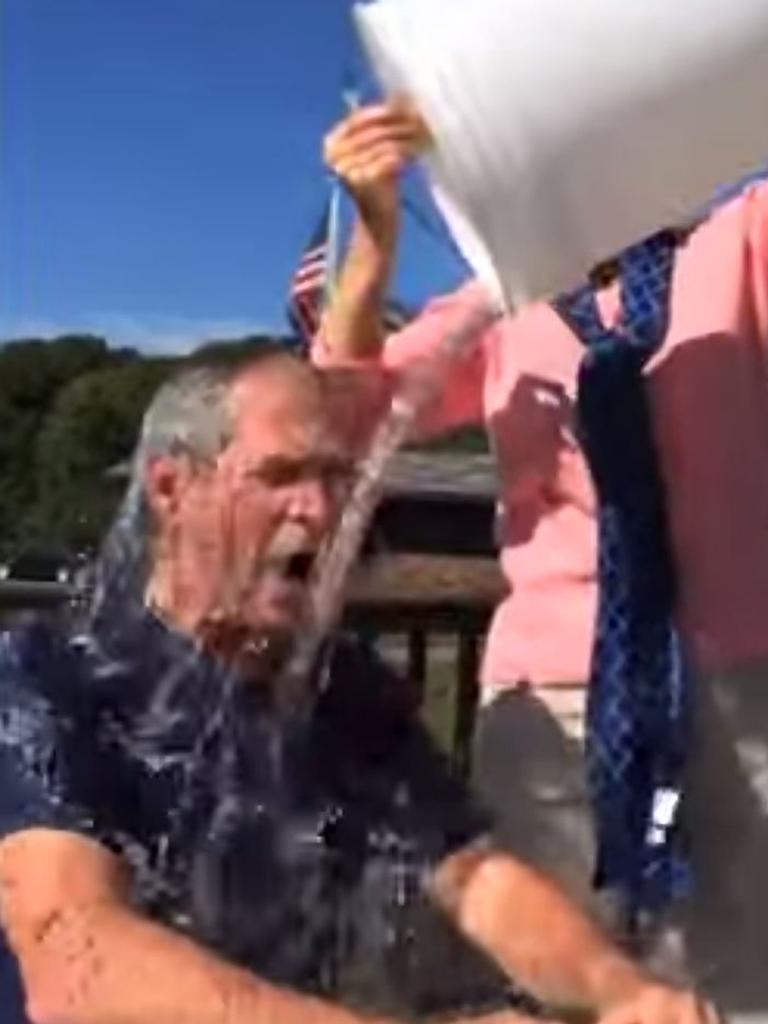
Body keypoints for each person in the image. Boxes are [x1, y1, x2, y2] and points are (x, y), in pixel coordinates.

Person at [0, 346, 710, 1024]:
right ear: (170, 488)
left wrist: (623, 989)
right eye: (280, 475)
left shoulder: (347, 692)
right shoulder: (47, 674)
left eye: (335, 478)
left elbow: (475, 879)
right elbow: (72, 964)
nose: (319, 510)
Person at [319, 100, 768, 1008]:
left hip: (741, 682)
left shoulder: (744, 239)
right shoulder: (499, 298)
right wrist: (374, 234)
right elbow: (347, 410)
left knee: (742, 964)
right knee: (547, 966)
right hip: (555, 694)